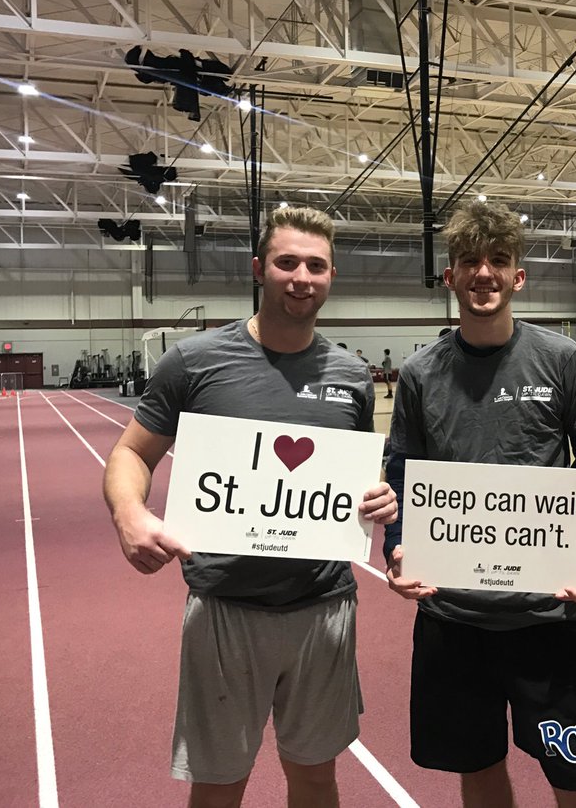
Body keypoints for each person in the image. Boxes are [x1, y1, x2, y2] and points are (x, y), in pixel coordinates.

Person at [102, 206, 398, 808]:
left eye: (316, 266)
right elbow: (131, 453)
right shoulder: (194, 362)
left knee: (316, 776)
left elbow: (359, 475)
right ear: (259, 268)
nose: (301, 277)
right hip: (224, 609)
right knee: (218, 784)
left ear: (332, 275)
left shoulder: (351, 375)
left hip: (323, 607)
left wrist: (381, 495)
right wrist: (130, 515)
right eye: (287, 262)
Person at [384, 201, 576, 808]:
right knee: (478, 766)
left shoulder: (561, 360)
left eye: (498, 261)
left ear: (518, 277)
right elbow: (401, 475)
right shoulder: (417, 373)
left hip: (547, 619)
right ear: (450, 277)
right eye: (469, 262)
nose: (483, 273)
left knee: (575, 776)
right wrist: (396, 547)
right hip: (453, 618)